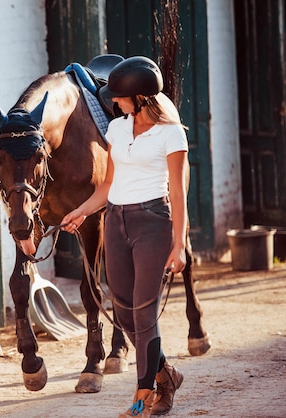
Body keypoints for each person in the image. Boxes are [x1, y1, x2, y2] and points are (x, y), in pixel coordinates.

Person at [61, 56, 186, 417]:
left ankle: (143, 394)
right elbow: (109, 185)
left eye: (120, 97)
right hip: (115, 222)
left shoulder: (171, 133)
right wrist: (82, 210)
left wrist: (179, 243)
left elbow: (177, 193)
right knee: (124, 311)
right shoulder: (116, 129)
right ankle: (167, 375)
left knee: (144, 311)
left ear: (141, 97)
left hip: (153, 222)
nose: (114, 102)